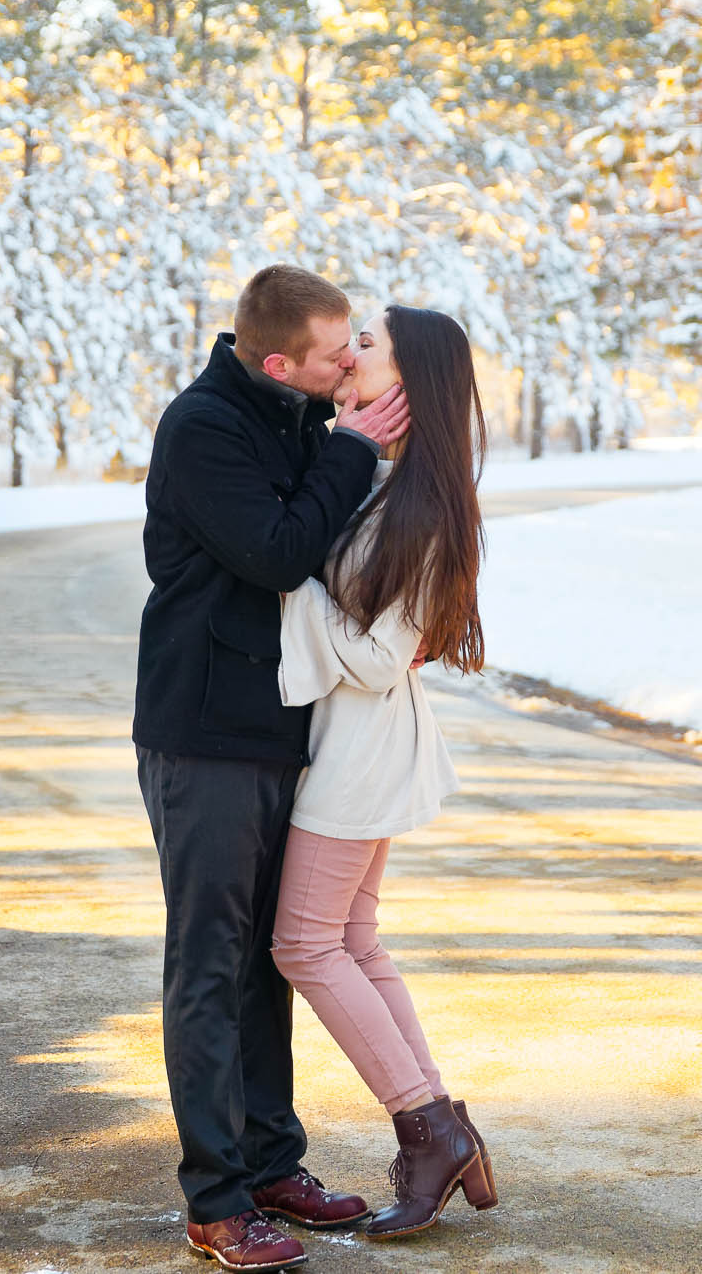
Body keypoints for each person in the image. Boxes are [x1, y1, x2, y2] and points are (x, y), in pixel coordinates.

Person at [133, 264, 411, 1273]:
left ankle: (269, 1163)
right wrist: (354, 449)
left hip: (278, 728)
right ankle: (215, 1202)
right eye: (337, 353)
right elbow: (279, 550)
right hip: (203, 731)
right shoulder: (203, 428)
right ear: (283, 362)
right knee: (209, 962)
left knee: (263, 961)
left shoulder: (299, 413)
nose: (350, 365)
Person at [271, 305, 498, 1240]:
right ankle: (444, 1126)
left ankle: (427, 1127)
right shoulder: (384, 481)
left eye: (366, 343)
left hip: (361, 750)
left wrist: (287, 576)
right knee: (353, 940)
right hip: (355, 739)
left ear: (410, 382)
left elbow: (376, 657)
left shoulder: (423, 505)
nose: (347, 352)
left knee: (305, 944)